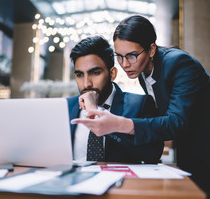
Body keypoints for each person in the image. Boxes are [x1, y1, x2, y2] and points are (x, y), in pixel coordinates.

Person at [72, 15, 210, 199]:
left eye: (132, 55)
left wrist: (119, 124)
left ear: (151, 49)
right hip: (192, 137)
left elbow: (176, 121)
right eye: (119, 56)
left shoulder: (180, 63)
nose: (125, 64)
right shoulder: (141, 70)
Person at [68, 35, 163, 163]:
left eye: (95, 73)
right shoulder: (67, 107)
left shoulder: (140, 105)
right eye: (79, 75)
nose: (86, 84)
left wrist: (98, 113)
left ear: (112, 74)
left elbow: (153, 154)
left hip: (122, 181)